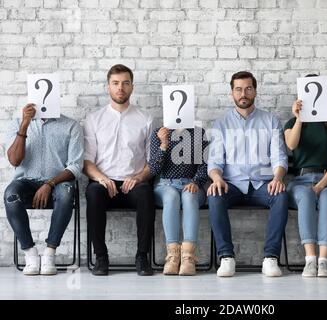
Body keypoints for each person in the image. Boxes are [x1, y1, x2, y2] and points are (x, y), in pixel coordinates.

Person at [207, 71, 289, 277]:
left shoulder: (270, 121)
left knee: (281, 196)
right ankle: (226, 257)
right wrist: (216, 178)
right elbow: (215, 161)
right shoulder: (221, 123)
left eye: (248, 89)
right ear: (232, 93)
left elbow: (279, 157)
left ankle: (271, 258)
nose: (243, 93)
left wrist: (278, 178)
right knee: (214, 195)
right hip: (231, 185)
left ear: (255, 91)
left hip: (263, 184)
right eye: (238, 89)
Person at [83, 64, 154, 276]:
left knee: (146, 195)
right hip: (103, 182)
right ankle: (101, 258)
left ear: (132, 87)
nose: (120, 88)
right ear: (108, 87)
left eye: (125, 83)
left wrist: (139, 177)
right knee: (93, 193)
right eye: (115, 83)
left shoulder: (145, 119)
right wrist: (102, 179)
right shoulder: (94, 119)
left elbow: (153, 162)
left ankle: (142, 257)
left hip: (134, 182)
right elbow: (87, 161)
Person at [3, 104, 84, 275]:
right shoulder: (17, 123)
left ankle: (50, 253)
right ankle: (30, 253)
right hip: (26, 182)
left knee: (66, 193)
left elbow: (76, 166)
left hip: (58, 183)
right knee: (11, 194)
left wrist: (50, 184)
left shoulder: (71, 126)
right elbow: (14, 160)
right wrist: (24, 125)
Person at [284, 74, 327, 278]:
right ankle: (310, 259)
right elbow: (291, 145)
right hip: (300, 181)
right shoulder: (291, 123)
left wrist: (320, 185)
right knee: (306, 195)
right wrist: (300, 118)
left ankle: (324, 260)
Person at [149, 126, 208, 276]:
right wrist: (163, 144)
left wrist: (196, 181)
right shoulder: (159, 133)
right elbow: (154, 169)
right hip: (165, 184)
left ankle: (188, 257)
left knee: (188, 196)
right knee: (171, 197)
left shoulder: (198, 133)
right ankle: (173, 256)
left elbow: (205, 163)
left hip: (192, 184)